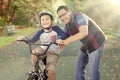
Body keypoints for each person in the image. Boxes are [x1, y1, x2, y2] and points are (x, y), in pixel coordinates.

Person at [56, 5, 107, 80]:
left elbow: (83, 33)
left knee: (93, 71)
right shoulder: (67, 26)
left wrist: (66, 41)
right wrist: (56, 51)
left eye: (64, 14)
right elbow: (63, 40)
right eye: (60, 17)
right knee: (79, 64)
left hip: (97, 42)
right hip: (87, 44)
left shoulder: (80, 16)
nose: (62, 18)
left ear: (69, 12)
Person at [17, 11, 66, 80]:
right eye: (42, 20)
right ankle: (35, 71)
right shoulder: (40, 32)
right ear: (40, 22)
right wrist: (24, 39)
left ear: (51, 21)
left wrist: (60, 39)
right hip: (43, 49)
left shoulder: (56, 29)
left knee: (51, 71)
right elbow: (32, 41)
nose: (45, 21)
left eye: (47, 19)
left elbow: (63, 34)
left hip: (53, 51)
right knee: (34, 52)